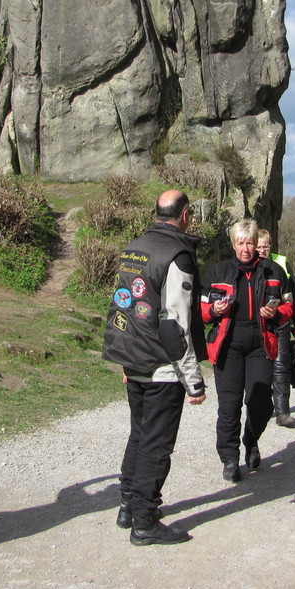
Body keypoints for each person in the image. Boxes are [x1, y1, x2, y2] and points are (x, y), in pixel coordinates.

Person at [102, 190, 207, 546]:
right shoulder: (177, 255)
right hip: (163, 367)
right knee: (156, 444)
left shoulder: (133, 248)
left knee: (139, 435)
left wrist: (125, 360)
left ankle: (128, 507)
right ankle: (144, 522)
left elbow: (124, 308)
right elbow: (175, 324)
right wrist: (193, 380)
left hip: (134, 359)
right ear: (186, 215)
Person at [201, 219, 293, 481]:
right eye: (240, 243)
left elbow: (289, 305)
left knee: (260, 403)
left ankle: (251, 439)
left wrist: (276, 313)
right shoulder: (217, 272)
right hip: (228, 343)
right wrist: (214, 310)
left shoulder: (274, 271)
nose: (245, 248)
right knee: (229, 406)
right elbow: (201, 311)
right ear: (233, 244)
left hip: (260, 341)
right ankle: (229, 458)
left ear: (256, 244)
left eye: (250, 243)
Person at [256, 230, 295, 428]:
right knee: (259, 368)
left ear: (271, 246)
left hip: (281, 323)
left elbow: (293, 297)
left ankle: (283, 412)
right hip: (258, 326)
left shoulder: (281, 264)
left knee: (281, 368)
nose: (262, 250)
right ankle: (260, 408)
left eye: (265, 246)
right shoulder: (247, 265)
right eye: (258, 247)